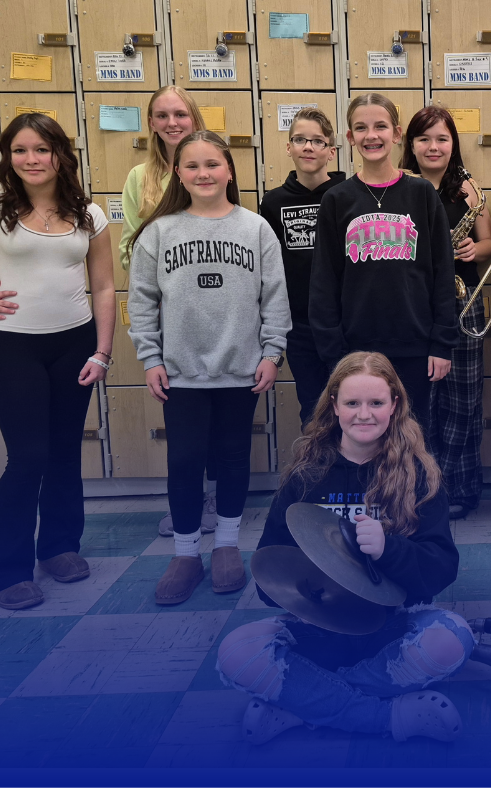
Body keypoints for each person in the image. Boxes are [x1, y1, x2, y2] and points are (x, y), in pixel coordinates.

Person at [216, 351, 474, 745]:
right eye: (352, 403)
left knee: (453, 637)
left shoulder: (420, 475)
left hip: (392, 626)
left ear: (395, 406)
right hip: (315, 629)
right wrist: (305, 580)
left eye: (376, 403)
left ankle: (303, 701)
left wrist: (388, 549)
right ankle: (388, 716)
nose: (364, 414)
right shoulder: (305, 476)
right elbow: (268, 580)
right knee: (236, 651)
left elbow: (441, 569)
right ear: (334, 406)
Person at [128, 131, 291, 605]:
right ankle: (184, 554)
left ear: (230, 170)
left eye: (213, 165)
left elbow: (275, 298)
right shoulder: (159, 232)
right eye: (193, 166)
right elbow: (142, 301)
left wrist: (271, 352)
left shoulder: (255, 228)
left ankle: (225, 547)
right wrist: (150, 358)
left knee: (234, 458)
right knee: (183, 462)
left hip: (240, 369)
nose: (203, 174)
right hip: (180, 372)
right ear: (178, 173)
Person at [0, 113, 115, 610]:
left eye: (41, 149)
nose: (31, 159)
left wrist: (102, 353)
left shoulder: (89, 215)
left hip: (74, 344)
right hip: (9, 345)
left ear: (60, 155)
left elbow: (104, 286)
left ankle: (59, 547)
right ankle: (4, 571)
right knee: (29, 457)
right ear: (8, 158)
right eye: (20, 150)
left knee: (64, 451)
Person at [309, 93, 457, 430]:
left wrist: (441, 344)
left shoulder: (422, 194)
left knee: (413, 438)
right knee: (361, 436)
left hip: (415, 346)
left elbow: (442, 275)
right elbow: (324, 282)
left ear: (396, 133)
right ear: (349, 138)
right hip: (355, 351)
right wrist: (334, 353)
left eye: (380, 126)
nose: (371, 135)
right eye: (360, 128)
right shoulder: (337, 199)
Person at [119, 85, 216, 538]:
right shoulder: (141, 177)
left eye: (180, 113)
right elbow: (128, 246)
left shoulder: (212, 163)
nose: (172, 122)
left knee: (218, 412)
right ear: (152, 123)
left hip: (215, 308)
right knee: (182, 417)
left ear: (193, 118)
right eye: (162, 115)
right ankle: (188, 503)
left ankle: (218, 497)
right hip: (169, 310)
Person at [401, 106, 491, 519]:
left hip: (463, 301)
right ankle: (420, 488)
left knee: (463, 401)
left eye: (441, 138)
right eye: (423, 138)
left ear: (453, 143)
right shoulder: (399, 186)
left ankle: (460, 487)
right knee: (419, 402)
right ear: (410, 145)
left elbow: (490, 241)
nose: (433, 146)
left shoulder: (468, 188)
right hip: (413, 304)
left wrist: (477, 248)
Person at [260, 107, 345, 427]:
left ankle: (353, 476)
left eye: (318, 141)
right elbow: (269, 269)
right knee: (312, 409)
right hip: (299, 326)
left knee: (351, 406)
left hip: (344, 322)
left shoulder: (347, 194)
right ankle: (318, 476)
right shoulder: (272, 202)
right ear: (288, 147)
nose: (308, 147)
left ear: (331, 152)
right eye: (300, 139)